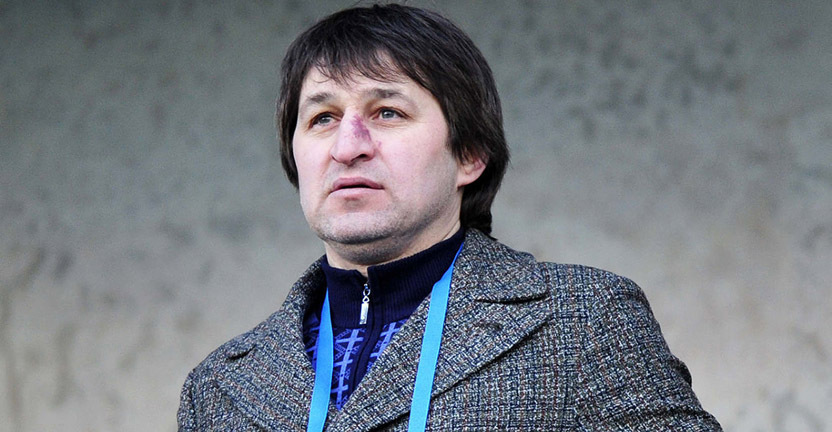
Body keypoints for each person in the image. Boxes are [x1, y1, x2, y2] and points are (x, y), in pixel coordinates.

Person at [178, 4, 722, 431]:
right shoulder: (218, 388)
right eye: (322, 118)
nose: (347, 146)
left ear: (470, 155)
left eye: (387, 112)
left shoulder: (584, 321)